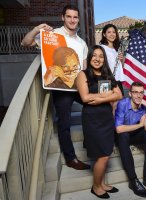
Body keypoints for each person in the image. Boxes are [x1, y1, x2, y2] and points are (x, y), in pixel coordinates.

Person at [21, 5, 90, 170]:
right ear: (62, 18)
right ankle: (70, 158)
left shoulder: (82, 43)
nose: (72, 20)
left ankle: (90, 140)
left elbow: (84, 67)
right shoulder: (53, 35)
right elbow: (25, 42)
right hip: (61, 88)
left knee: (94, 106)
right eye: (69, 17)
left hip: (78, 86)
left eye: (75, 17)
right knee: (64, 123)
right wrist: (38, 29)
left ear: (78, 19)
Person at [76, 45, 122, 199]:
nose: (97, 59)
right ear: (90, 58)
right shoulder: (83, 75)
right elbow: (85, 98)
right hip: (92, 119)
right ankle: (96, 187)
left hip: (106, 118)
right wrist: (109, 95)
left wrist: (102, 97)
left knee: (106, 153)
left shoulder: (108, 76)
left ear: (104, 59)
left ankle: (101, 184)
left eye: (101, 56)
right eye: (94, 56)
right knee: (102, 156)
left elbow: (119, 95)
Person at [115, 82, 146, 198]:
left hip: (135, 134)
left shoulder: (145, 106)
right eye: (135, 92)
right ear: (130, 93)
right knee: (123, 135)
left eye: (141, 93)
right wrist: (139, 125)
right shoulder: (122, 104)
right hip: (122, 136)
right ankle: (133, 180)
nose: (138, 96)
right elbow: (119, 129)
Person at [99, 24, 125, 95]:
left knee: (119, 103)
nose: (112, 34)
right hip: (105, 80)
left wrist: (121, 60)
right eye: (109, 32)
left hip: (117, 80)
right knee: (105, 103)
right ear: (104, 34)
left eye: (114, 32)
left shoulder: (116, 49)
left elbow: (120, 67)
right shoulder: (101, 48)